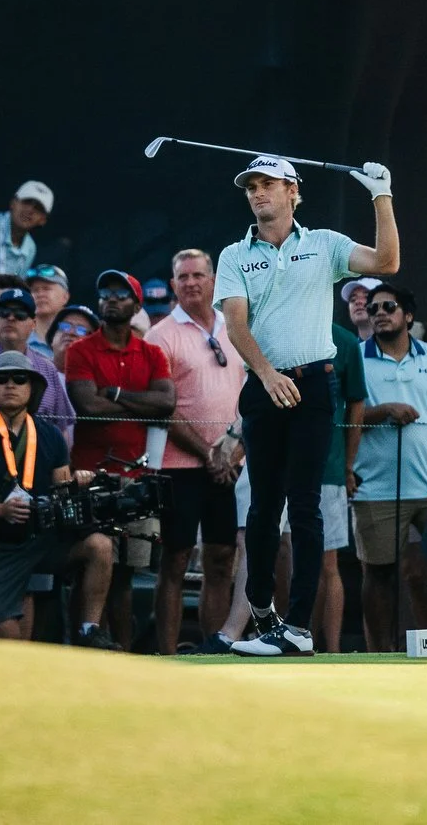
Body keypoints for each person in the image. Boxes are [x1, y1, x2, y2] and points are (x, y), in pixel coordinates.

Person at [215, 152, 397, 657]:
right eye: (251, 186)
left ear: (293, 191)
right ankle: (262, 613)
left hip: (313, 387)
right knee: (263, 506)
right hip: (263, 387)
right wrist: (267, 374)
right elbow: (236, 325)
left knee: (304, 505)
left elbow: (386, 263)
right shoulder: (234, 255)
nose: (257, 192)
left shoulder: (324, 245)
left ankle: (297, 627)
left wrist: (381, 196)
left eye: (267, 184)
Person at [0, 350, 117, 644]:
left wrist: (78, 483)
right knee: (8, 639)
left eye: (20, 378)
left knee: (100, 545)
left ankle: (90, 630)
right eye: (1, 379)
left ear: (32, 388)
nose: (10, 384)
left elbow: (62, 491)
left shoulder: (50, 435)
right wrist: (1, 511)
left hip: (42, 539)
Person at [342, 283, 427, 654]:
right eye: (373, 308)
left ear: (408, 316)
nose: (379, 313)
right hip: (375, 488)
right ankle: (380, 654)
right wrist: (383, 411)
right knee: (378, 573)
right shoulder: (354, 357)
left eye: (388, 306)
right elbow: (343, 418)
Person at [64, 269, 175, 645]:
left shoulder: (152, 353)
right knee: (91, 567)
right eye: (105, 293)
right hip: (90, 476)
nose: (111, 299)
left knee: (127, 573)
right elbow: (88, 406)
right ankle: (80, 647)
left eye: (121, 294)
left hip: (138, 479)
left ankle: (122, 652)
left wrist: (113, 393)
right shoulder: (81, 350)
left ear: (137, 304)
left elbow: (166, 403)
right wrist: (138, 403)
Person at [146, 248, 245, 653]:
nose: (190, 283)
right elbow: (163, 409)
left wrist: (233, 452)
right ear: (173, 285)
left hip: (232, 464)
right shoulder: (160, 335)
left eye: (198, 275)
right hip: (179, 464)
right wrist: (210, 454)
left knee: (221, 557)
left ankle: (213, 650)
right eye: (182, 277)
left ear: (214, 281)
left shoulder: (235, 326)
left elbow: (249, 395)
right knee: (176, 557)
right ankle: (168, 654)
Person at [0, 288, 78, 441]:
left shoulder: (47, 368)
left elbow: (61, 430)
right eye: (4, 312)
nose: (11, 318)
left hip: (39, 454)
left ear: (33, 324)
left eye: (20, 314)